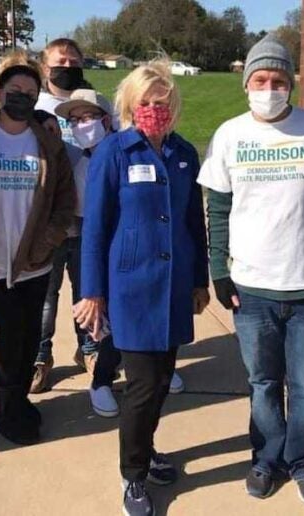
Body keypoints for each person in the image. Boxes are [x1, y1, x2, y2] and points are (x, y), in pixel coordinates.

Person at [198, 35, 304, 505]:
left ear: (292, 83)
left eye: (279, 80)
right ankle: (267, 458)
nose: (270, 88)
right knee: (263, 384)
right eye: (261, 79)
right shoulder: (230, 135)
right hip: (251, 291)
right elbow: (218, 211)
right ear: (247, 83)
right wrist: (219, 271)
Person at [74, 60, 209, 516]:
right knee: (143, 385)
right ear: (130, 106)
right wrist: (92, 292)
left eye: (164, 103)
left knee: (158, 382)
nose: (156, 110)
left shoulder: (185, 152)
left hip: (173, 289)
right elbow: (95, 228)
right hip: (131, 289)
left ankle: (146, 450)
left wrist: (198, 280)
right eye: (147, 103)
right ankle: (133, 475)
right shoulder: (115, 152)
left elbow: (194, 223)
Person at [0, 54, 75, 445]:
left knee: (28, 335)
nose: (22, 98)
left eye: (31, 93)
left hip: (33, 259)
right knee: (12, 332)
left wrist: (49, 240)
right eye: (15, 91)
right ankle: (6, 408)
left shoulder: (47, 140)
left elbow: (65, 201)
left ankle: (11, 400)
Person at [51, 88, 123, 417]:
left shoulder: (126, 153)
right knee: (101, 316)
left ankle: (148, 366)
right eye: (75, 120)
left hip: (128, 245)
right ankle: (103, 379)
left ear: (107, 120)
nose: (82, 125)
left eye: (89, 117)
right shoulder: (81, 163)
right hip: (92, 244)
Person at [31, 38, 92, 387]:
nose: (67, 68)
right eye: (60, 62)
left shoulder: (93, 105)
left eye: (73, 62)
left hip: (89, 216)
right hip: (48, 221)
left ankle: (89, 347)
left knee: (88, 292)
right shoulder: (35, 107)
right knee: (45, 296)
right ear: (45, 67)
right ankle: (40, 355)